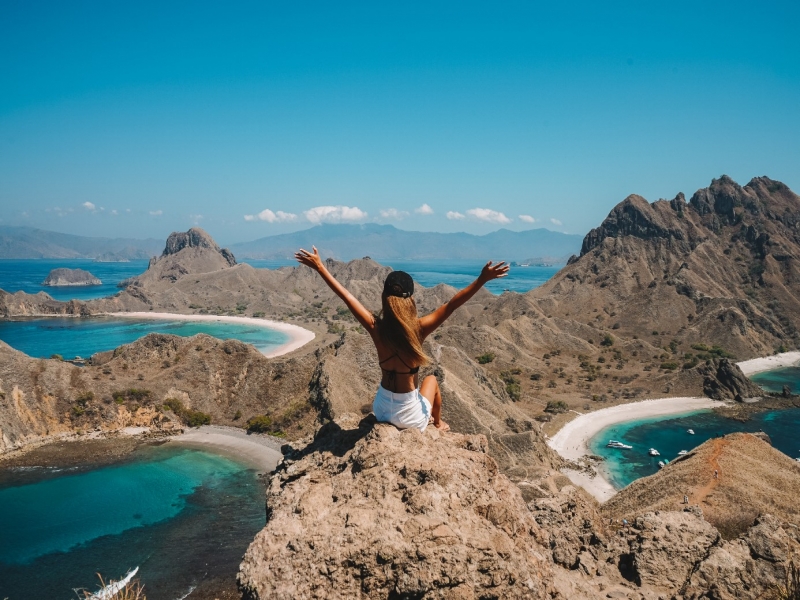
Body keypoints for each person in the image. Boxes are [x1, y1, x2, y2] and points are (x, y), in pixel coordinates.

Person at [295, 246, 509, 432]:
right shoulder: (419, 329)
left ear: (384, 297)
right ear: (411, 299)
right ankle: (439, 424)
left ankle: (434, 422)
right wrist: (482, 279)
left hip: (380, 411)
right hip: (410, 419)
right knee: (432, 380)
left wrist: (320, 267)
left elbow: (347, 297)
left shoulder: (375, 327)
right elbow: (452, 305)